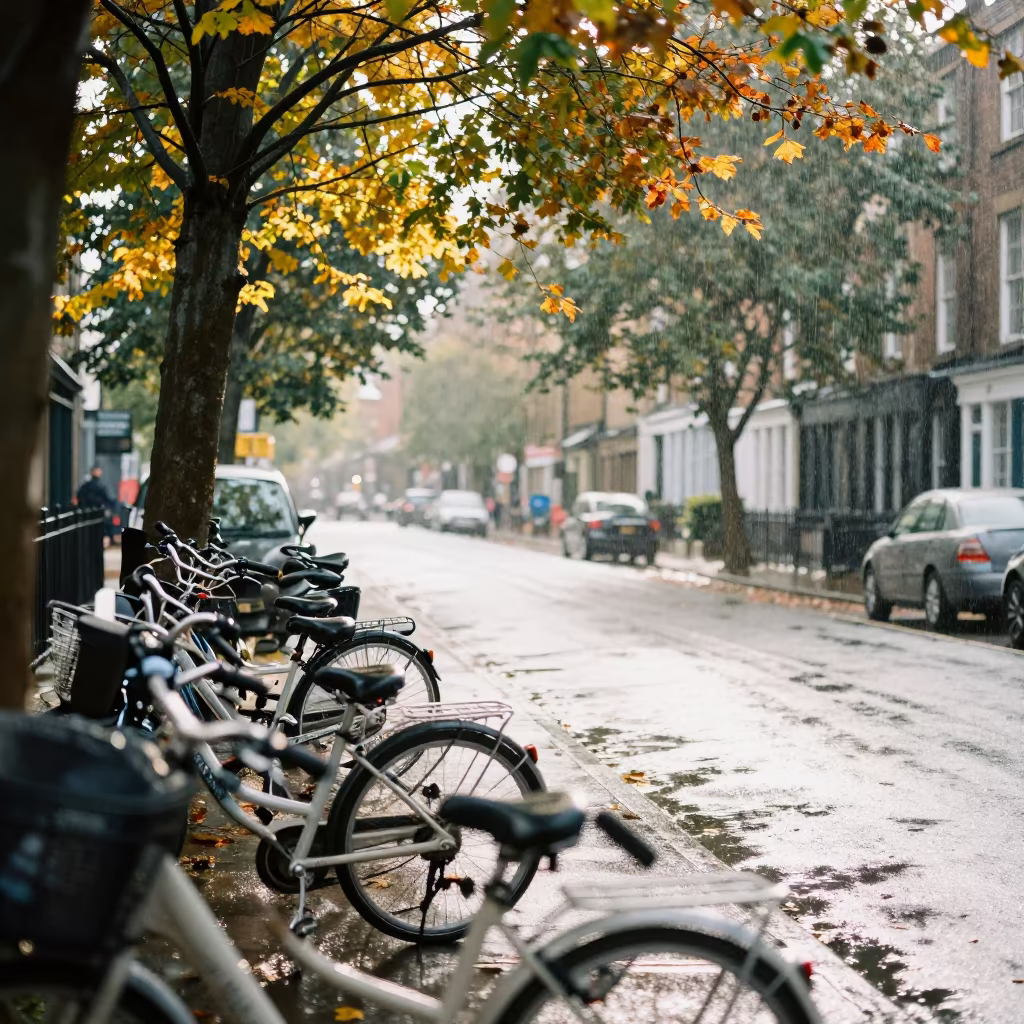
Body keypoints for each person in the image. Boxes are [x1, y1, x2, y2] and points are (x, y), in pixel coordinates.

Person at [76, 466, 115, 542]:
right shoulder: (99, 486)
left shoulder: (88, 486)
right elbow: (107, 499)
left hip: (89, 514)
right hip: (95, 513)